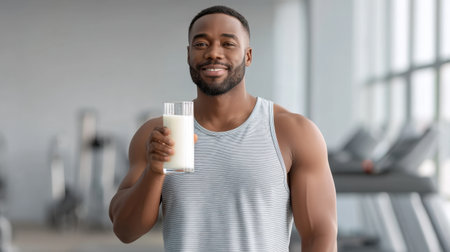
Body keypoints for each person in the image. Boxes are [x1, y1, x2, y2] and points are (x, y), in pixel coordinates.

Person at [109, 5, 337, 252]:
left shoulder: (293, 132)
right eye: (201, 44)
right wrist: (155, 171)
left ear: (248, 56)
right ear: (188, 55)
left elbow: (319, 236)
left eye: (228, 44)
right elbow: (125, 230)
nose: (213, 53)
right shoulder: (157, 133)